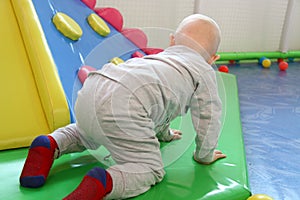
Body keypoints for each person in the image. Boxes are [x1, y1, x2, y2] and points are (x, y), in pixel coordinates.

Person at [19, 14, 226, 199]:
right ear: (212, 59)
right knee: (151, 169)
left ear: (172, 41)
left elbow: (158, 104)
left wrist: (165, 134)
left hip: (95, 88)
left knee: (85, 133)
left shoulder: (157, 59)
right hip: (125, 107)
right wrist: (204, 155)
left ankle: (51, 143)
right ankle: (104, 183)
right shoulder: (203, 72)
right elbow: (208, 117)